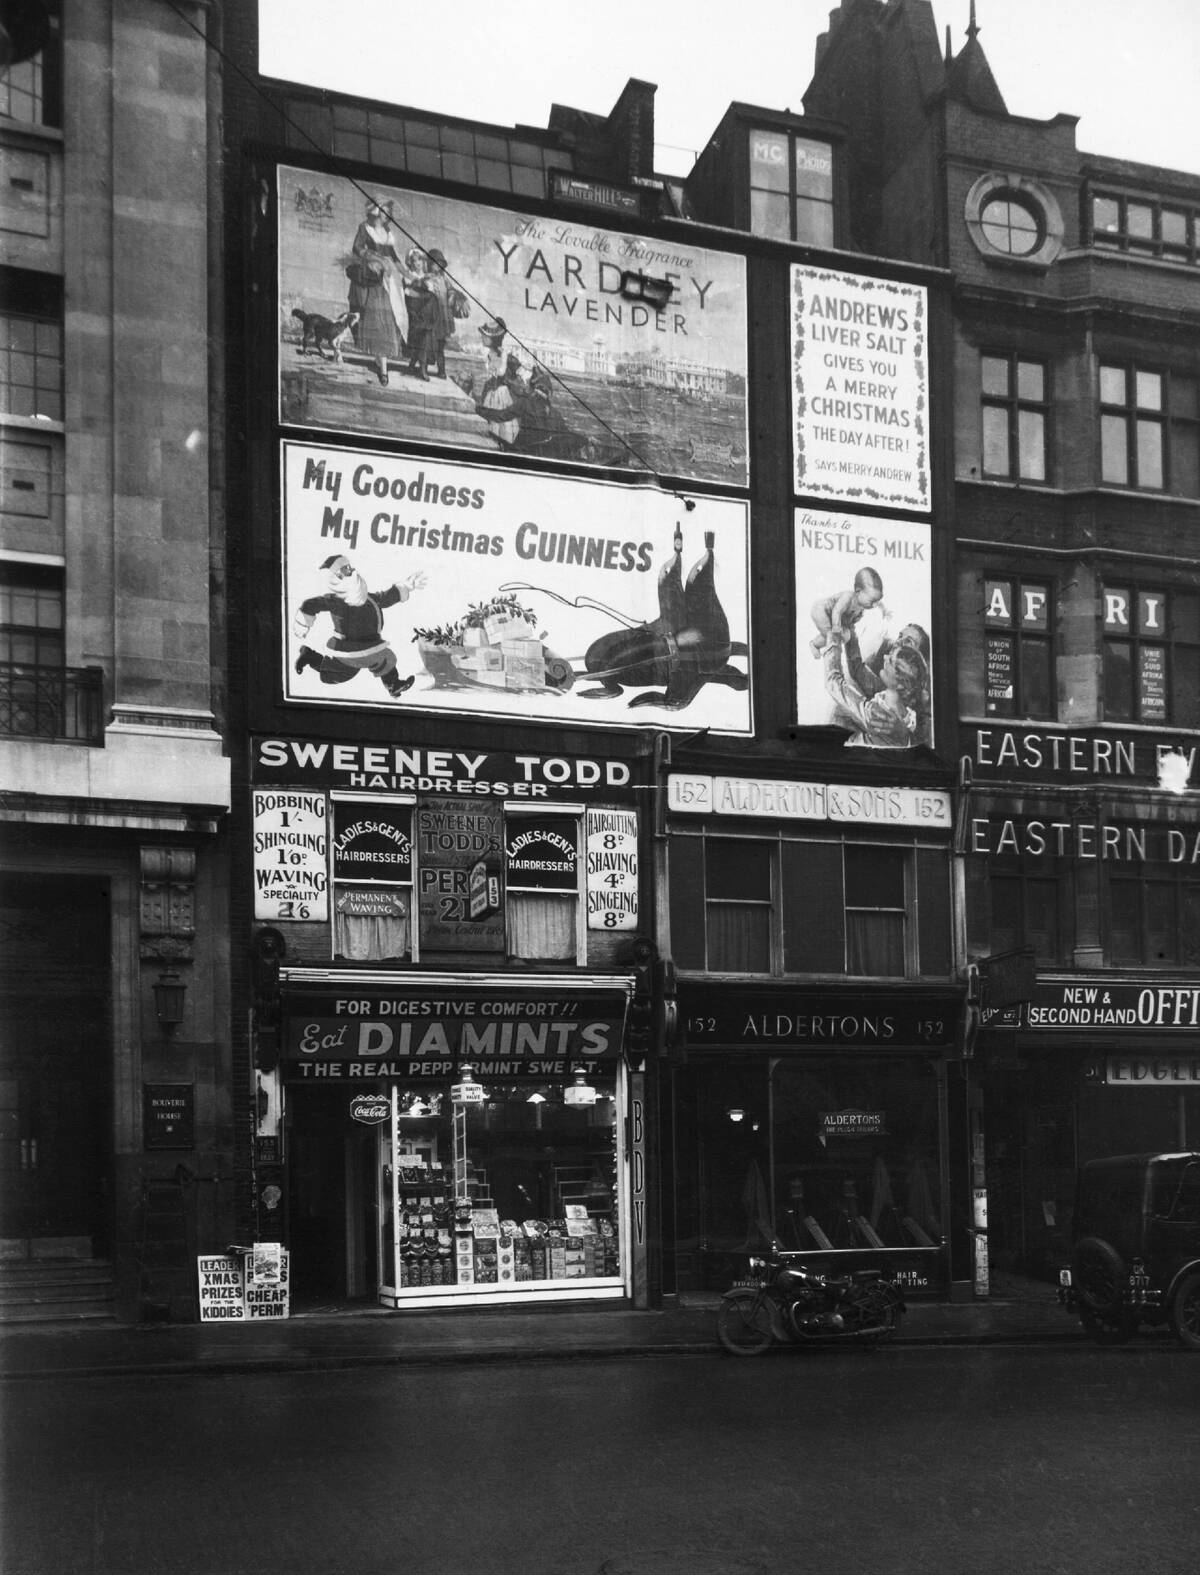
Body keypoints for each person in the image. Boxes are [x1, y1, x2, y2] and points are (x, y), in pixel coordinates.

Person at [293, 554, 426, 698]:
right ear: (336, 578)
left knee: (384, 658)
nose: (350, 572)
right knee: (340, 674)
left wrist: (406, 586)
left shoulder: (367, 598)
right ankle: (310, 656)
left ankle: (393, 686)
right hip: (349, 648)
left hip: (370, 644)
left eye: (349, 568)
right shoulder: (335, 601)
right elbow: (310, 605)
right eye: (344, 570)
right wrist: (302, 625)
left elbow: (385, 598)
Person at [823, 634, 927, 748]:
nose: (885, 657)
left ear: (901, 685)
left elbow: (834, 684)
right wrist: (850, 634)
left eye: (891, 661)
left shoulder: (879, 715)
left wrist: (832, 638)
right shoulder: (905, 712)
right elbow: (858, 670)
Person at [347, 199, 410, 385]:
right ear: (375, 211)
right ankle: (382, 368)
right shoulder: (365, 228)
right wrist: (374, 259)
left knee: (389, 319)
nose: (387, 215)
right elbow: (357, 248)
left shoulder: (388, 233)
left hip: (389, 280)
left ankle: (381, 362)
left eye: (389, 212)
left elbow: (394, 257)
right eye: (384, 211)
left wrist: (407, 273)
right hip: (372, 278)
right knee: (376, 319)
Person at [809, 565, 885, 657]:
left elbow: (850, 620)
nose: (874, 605)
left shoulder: (861, 606)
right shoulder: (848, 597)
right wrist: (836, 627)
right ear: (858, 591)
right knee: (831, 635)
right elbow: (837, 611)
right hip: (821, 611)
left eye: (876, 601)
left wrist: (884, 611)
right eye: (872, 601)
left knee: (845, 636)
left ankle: (815, 644)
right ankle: (825, 649)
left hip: (832, 617)